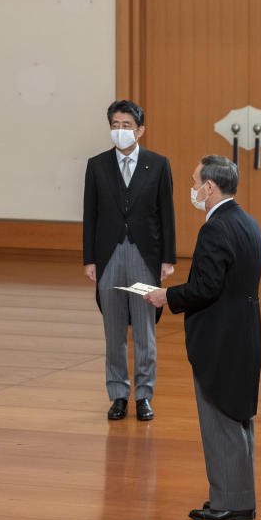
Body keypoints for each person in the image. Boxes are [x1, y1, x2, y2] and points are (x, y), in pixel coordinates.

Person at [144, 155, 261, 520]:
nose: (193, 189)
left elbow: (206, 287)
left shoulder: (215, 228)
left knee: (220, 419)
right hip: (245, 330)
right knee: (238, 417)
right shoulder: (248, 222)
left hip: (220, 336)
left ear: (210, 187)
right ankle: (236, 495)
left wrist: (168, 296)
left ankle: (232, 503)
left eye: (195, 182)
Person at [83, 100, 176, 422]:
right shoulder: (97, 165)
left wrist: (167, 257)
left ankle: (144, 395)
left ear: (140, 130)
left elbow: (167, 214)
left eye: (126, 125)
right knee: (114, 330)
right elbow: (90, 215)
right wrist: (89, 259)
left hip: (144, 255)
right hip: (108, 255)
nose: (120, 131)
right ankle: (118, 394)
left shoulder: (158, 164)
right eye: (115, 125)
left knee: (144, 331)